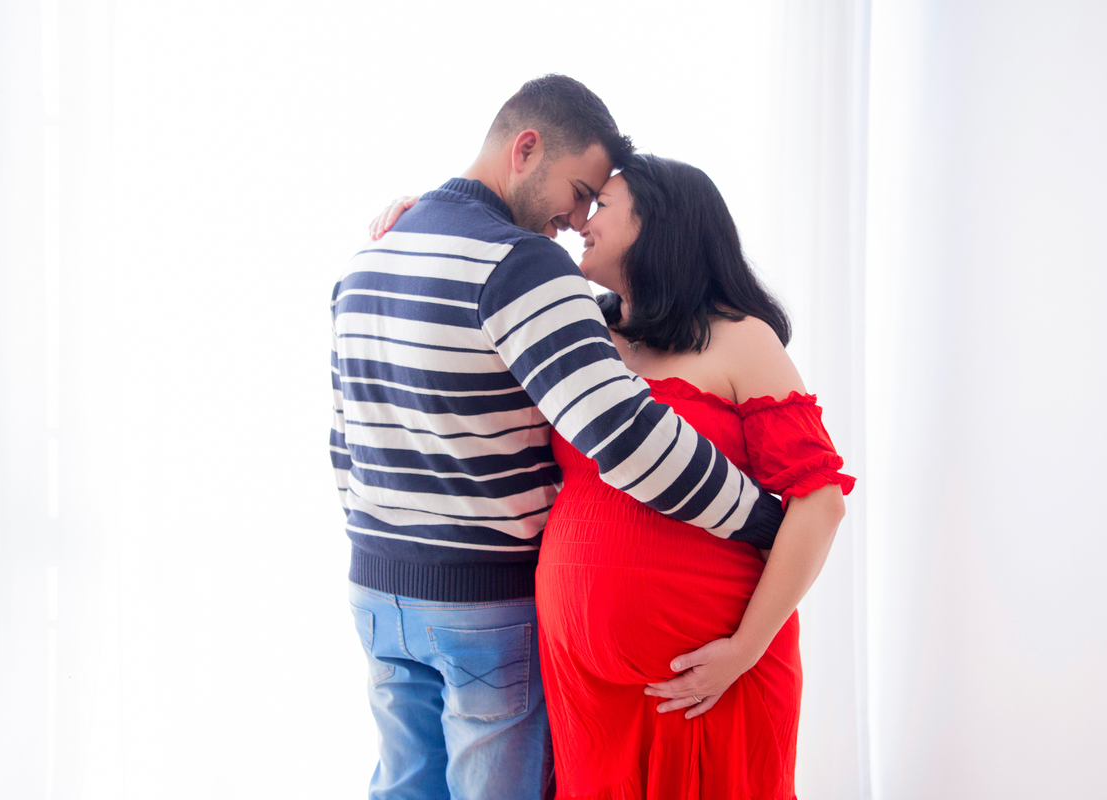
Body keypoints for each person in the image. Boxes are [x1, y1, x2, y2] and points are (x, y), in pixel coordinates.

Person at [332, 76, 785, 800]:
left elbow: (344, 442)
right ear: (526, 149)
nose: (576, 221)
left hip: (376, 589)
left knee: (405, 789)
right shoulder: (518, 263)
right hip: (479, 603)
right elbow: (624, 434)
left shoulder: (372, 256)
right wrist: (764, 521)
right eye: (579, 192)